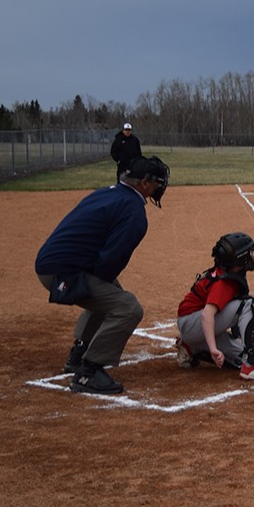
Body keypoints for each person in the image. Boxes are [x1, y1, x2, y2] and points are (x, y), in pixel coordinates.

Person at [34, 156, 170, 395]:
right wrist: (103, 280)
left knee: (109, 291)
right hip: (64, 271)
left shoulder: (107, 193)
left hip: (55, 262)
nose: (160, 187)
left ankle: (79, 353)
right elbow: (110, 260)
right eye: (157, 182)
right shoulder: (134, 211)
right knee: (128, 307)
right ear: (144, 183)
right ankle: (88, 371)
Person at [175, 233, 254, 380]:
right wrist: (214, 349)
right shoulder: (224, 283)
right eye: (249, 253)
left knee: (240, 357)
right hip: (193, 324)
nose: (253, 256)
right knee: (249, 305)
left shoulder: (232, 268)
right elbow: (206, 315)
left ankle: (192, 347)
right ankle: (253, 366)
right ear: (240, 259)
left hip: (192, 327)